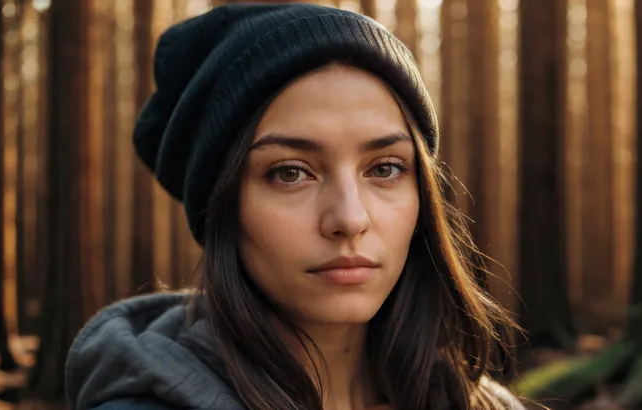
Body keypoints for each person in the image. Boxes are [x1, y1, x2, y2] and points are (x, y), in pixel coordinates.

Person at [65, 3, 525, 410]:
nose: (349, 219)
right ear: (221, 206)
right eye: (290, 172)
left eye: (384, 168)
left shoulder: (485, 403)